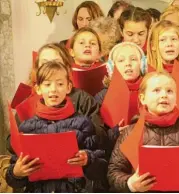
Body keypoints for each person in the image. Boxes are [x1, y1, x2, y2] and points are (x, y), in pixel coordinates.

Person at [6, 61, 106, 192]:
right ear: (38, 89)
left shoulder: (83, 123)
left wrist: (88, 158)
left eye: (60, 84)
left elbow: (101, 168)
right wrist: (16, 172)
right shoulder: (26, 128)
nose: (53, 89)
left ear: (69, 87)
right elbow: (13, 178)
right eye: (47, 84)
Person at [107, 72, 179, 192]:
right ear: (143, 99)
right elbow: (114, 171)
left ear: (176, 98)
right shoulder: (130, 132)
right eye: (156, 90)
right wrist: (130, 183)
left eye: (169, 91)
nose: (164, 95)